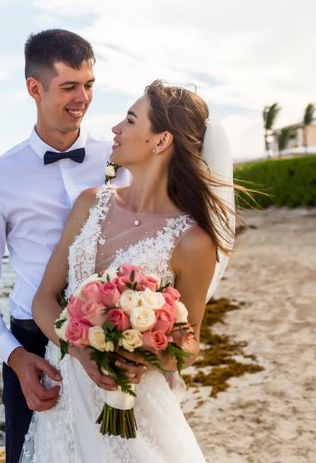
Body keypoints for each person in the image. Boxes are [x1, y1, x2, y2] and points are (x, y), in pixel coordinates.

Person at [20, 80, 236, 462]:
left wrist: (144, 354)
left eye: (130, 120)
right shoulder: (91, 203)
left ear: (161, 140)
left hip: (134, 404)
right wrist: (81, 351)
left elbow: (189, 344)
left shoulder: (192, 241)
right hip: (66, 393)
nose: (116, 129)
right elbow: (43, 299)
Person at [0, 29, 134, 463]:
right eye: (69, 87)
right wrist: (14, 357)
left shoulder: (119, 157)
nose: (83, 98)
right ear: (34, 89)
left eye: (89, 85)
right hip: (32, 340)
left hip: (113, 331)